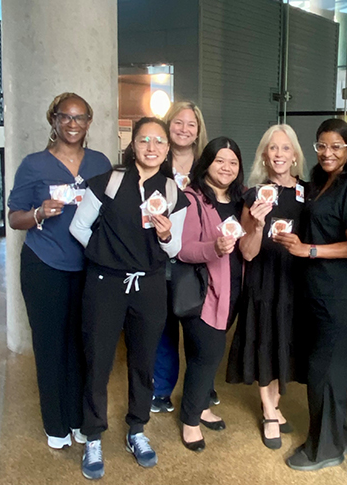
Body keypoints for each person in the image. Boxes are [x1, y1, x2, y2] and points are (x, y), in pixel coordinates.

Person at [69, 117, 189, 480]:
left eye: (159, 142)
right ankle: (93, 435)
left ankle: (137, 430)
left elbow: (175, 249)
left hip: (149, 286)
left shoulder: (171, 192)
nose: (151, 147)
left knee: (143, 361)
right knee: (98, 361)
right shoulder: (108, 181)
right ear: (132, 144)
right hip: (105, 283)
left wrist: (167, 235)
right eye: (144, 140)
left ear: (168, 149)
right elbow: (78, 227)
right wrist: (106, 253)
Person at [7, 92, 112, 450]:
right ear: (53, 120)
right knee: (51, 347)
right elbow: (14, 217)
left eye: (80, 117)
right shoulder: (34, 165)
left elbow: (112, 211)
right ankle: (55, 423)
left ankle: (81, 420)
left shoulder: (100, 163)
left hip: (89, 267)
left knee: (84, 347)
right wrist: (39, 213)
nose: (73, 124)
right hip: (45, 266)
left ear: (88, 123)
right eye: (65, 117)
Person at [275, 118, 347, 471]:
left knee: (325, 373)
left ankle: (325, 449)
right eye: (322, 145)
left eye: (336, 146)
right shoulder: (317, 183)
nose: (328, 152)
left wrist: (310, 251)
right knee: (322, 372)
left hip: (342, 296)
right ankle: (337, 438)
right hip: (317, 292)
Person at [226, 124, 306, 449]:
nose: (279, 154)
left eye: (285, 148)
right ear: (264, 154)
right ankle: (269, 410)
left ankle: (275, 402)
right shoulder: (253, 195)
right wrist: (256, 225)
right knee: (263, 337)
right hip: (263, 277)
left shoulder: (307, 192)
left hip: (294, 278)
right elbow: (246, 251)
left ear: (295, 154)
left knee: (282, 340)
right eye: (273, 148)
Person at [177, 136, 246, 453]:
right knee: (206, 357)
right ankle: (190, 420)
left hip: (231, 293)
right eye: (220, 160)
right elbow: (184, 250)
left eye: (233, 162)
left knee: (202, 357)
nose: (227, 167)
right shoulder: (191, 199)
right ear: (206, 163)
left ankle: (202, 405)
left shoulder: (240, 200)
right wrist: (213, 248)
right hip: (205, 294)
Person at [151, 101, 214, 414]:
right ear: (168, 124)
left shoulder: (209, 166)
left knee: (198, 328)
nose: (184, 129)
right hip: (158, 258)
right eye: (178, 122)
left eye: (191, 124)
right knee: (163, 327)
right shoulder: (154, 162)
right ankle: (161, 388)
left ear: (198, 130)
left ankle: (202, 384)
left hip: (198, 259)